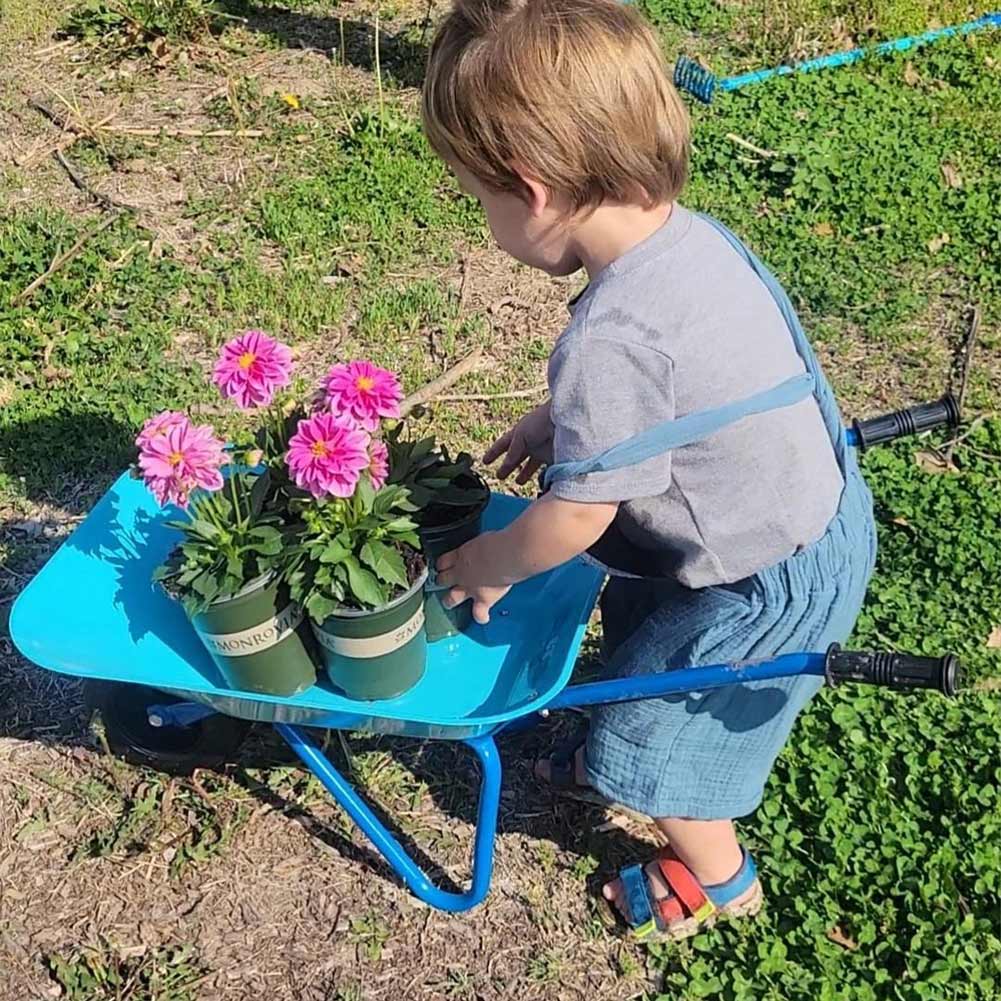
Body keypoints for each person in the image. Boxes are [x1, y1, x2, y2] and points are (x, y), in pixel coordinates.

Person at [422, 0, 876, 939]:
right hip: (809, 516)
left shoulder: (612, 339)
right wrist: (563, 418)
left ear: (530, 189)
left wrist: (490, 561)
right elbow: (683, 379)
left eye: (478, 197)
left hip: (758, 581)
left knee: (660, 747)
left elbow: (580, 516)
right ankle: (631, 741)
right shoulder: (689, 242)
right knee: (641, 643)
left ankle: (720, 880)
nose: (485, 220)